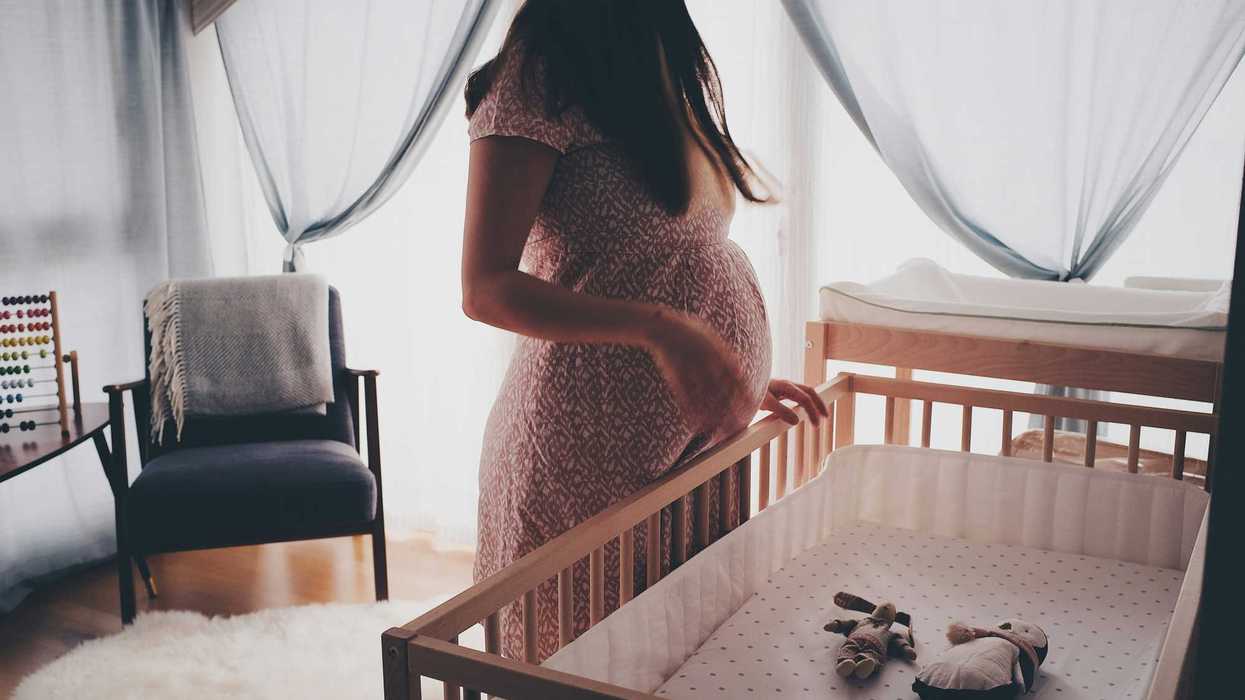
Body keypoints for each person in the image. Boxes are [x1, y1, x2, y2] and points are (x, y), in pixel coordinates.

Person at [462, 0, 828, 660]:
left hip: (690, 450)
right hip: (583, 458)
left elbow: (658, 259)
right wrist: (664, 332)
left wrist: (725, 373)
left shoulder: (672, 66)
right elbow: (485, 287)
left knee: (671, 657)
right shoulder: (539, 75)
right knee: (583, 665)